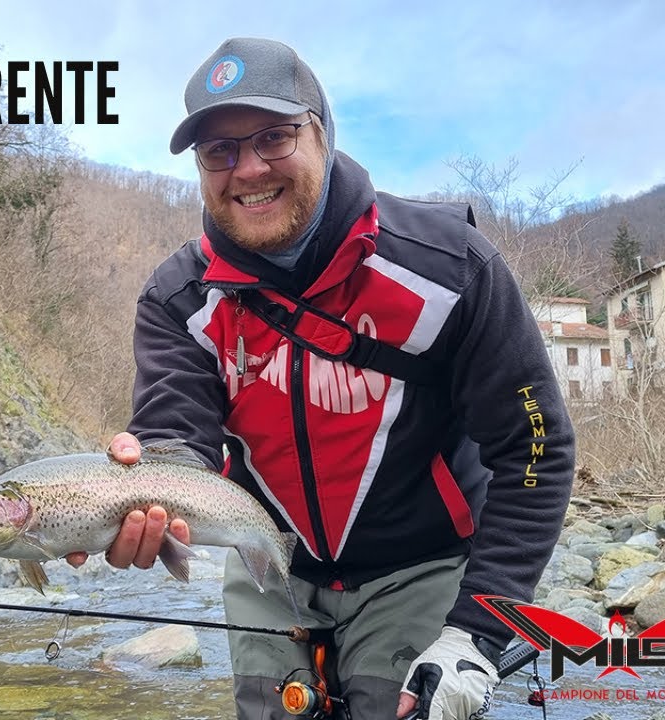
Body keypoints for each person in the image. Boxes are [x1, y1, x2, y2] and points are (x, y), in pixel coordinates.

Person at [66, 37, 574, 720]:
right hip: (264, 567)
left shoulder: (450, 268)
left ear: (324, 132)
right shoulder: (178, 299)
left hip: (421, 567)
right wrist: (137, 495)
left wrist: (478, 631)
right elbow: (177, 440)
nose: (246, 169)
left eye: (274, 138)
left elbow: (534, 450)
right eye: (219, 152)